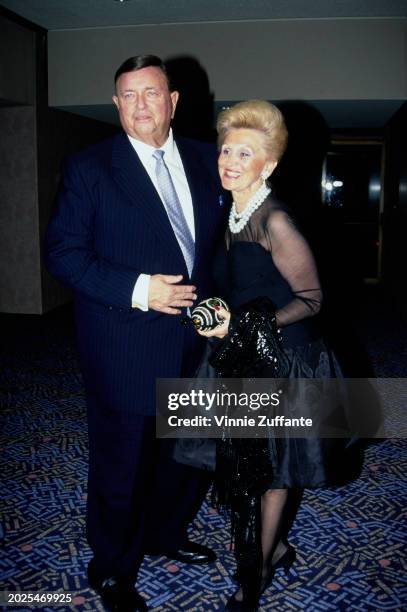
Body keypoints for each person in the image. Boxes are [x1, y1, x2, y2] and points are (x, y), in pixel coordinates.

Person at [45, 55, 226, 612]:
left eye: (151, 93)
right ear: (117, 105)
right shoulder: (90, 168)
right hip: (124, 343)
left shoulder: (206, 160)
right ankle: (113, 570)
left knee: (186, 456)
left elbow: (219, 248)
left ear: (173, 102)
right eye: (128, 95)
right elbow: (63, 254)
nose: (140, 104)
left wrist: (223, 305)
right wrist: (139, 288)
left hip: (198, 344)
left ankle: (164, 533)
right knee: (121, 467)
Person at [197, 100, 351, 611]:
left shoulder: (275, 220)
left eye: (246, 152)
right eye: (226, 150)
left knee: (274, 473)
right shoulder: (229, 211)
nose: (231, 160)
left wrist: (242, 324)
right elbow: (240, 286)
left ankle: (257, 569)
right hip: (245, 357)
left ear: (270, 164)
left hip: (286, 362)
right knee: (244, 466)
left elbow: (312, 300)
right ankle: (276, 545)